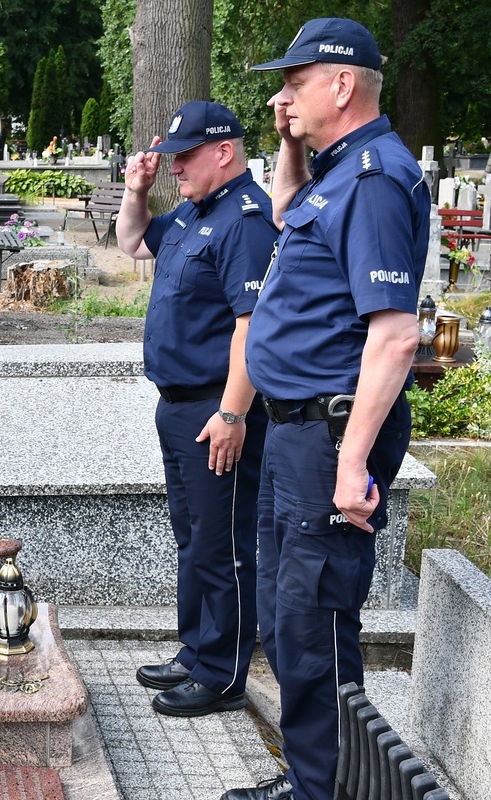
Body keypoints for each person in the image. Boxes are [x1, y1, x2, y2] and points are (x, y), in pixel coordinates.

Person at [222, 18, 429, 800]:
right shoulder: (337, 169)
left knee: (314, 621)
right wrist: (291, 142)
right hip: (296, 431)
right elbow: (285, 215)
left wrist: (349, 464)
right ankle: (315, 776)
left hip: (330, 437)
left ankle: (330, 789)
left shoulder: (375, 178)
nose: (282, 96)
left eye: (296, 81)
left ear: (342, 84)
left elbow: (398, 335)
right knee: (286, 616)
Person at [117, 101, 277, 718]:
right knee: (193, 538)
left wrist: (234, 413)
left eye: (184, 156)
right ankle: (196, 647)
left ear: (224, 152)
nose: (174, 166)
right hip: (178, 405)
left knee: (223, 541)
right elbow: (133, 241)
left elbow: (252, 326)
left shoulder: (245, 221)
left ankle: (222, 671)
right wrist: (138, 189)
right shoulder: (193, 211)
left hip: (217, 410)